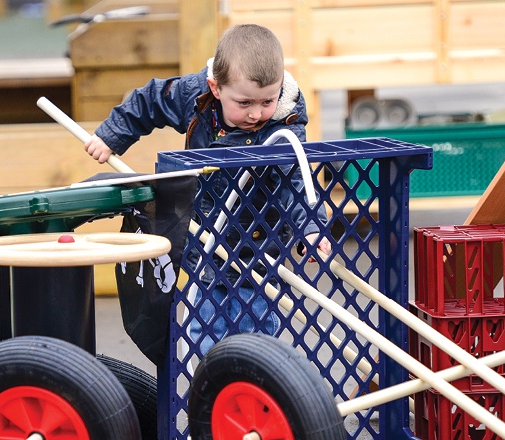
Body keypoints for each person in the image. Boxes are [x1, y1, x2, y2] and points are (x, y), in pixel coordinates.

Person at [85, 23, 330, 356]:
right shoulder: (193, 96)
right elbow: (149, 101)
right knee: (205, 328)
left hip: (259, 249)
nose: (256, 113)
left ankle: (252, 390)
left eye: (266, 101)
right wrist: (112, 135)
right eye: (244, 103)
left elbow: (297, 182)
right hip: (205, 242)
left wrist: (310, 229)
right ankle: (209, 392)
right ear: (216, 88)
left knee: (255, 331)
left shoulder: (283, 123)